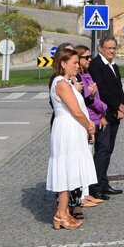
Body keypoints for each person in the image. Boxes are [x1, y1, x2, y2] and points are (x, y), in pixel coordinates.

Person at [45, 47, 98, 230]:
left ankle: (64, 212)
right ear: (63, 63)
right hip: (67, 130)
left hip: (72, 129)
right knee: (65, 170)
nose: (78, 66)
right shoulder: (61, 83)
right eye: (74, 63)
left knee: (70, 170)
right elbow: (75, 111)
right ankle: (60, 213)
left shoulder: (67, 82)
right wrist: (89, 126)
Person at [88, 35, 124, 200]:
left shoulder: (114, 65)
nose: (112, 51)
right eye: (109, 48)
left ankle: (104, 183)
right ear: (101, 49)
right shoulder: (96, 65)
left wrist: (122, 105)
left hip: (114, 114)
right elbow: (102, 91)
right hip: (102, 114)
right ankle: (95, 187)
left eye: (114, 48)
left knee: (109, 149)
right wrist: (118, 105)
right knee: (102, 150)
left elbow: (119, 88)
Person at [74, 44, 107, 207]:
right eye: (86, 57)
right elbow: (89, 101)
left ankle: (86, 193)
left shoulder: (86, 74)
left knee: (88, 157)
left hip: (94, 118)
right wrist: (103, 108)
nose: (89, 60)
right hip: (88, 120)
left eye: (89, 57)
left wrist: (101, 113)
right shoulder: (79, 77)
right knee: (85, 157)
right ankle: (82, 195)